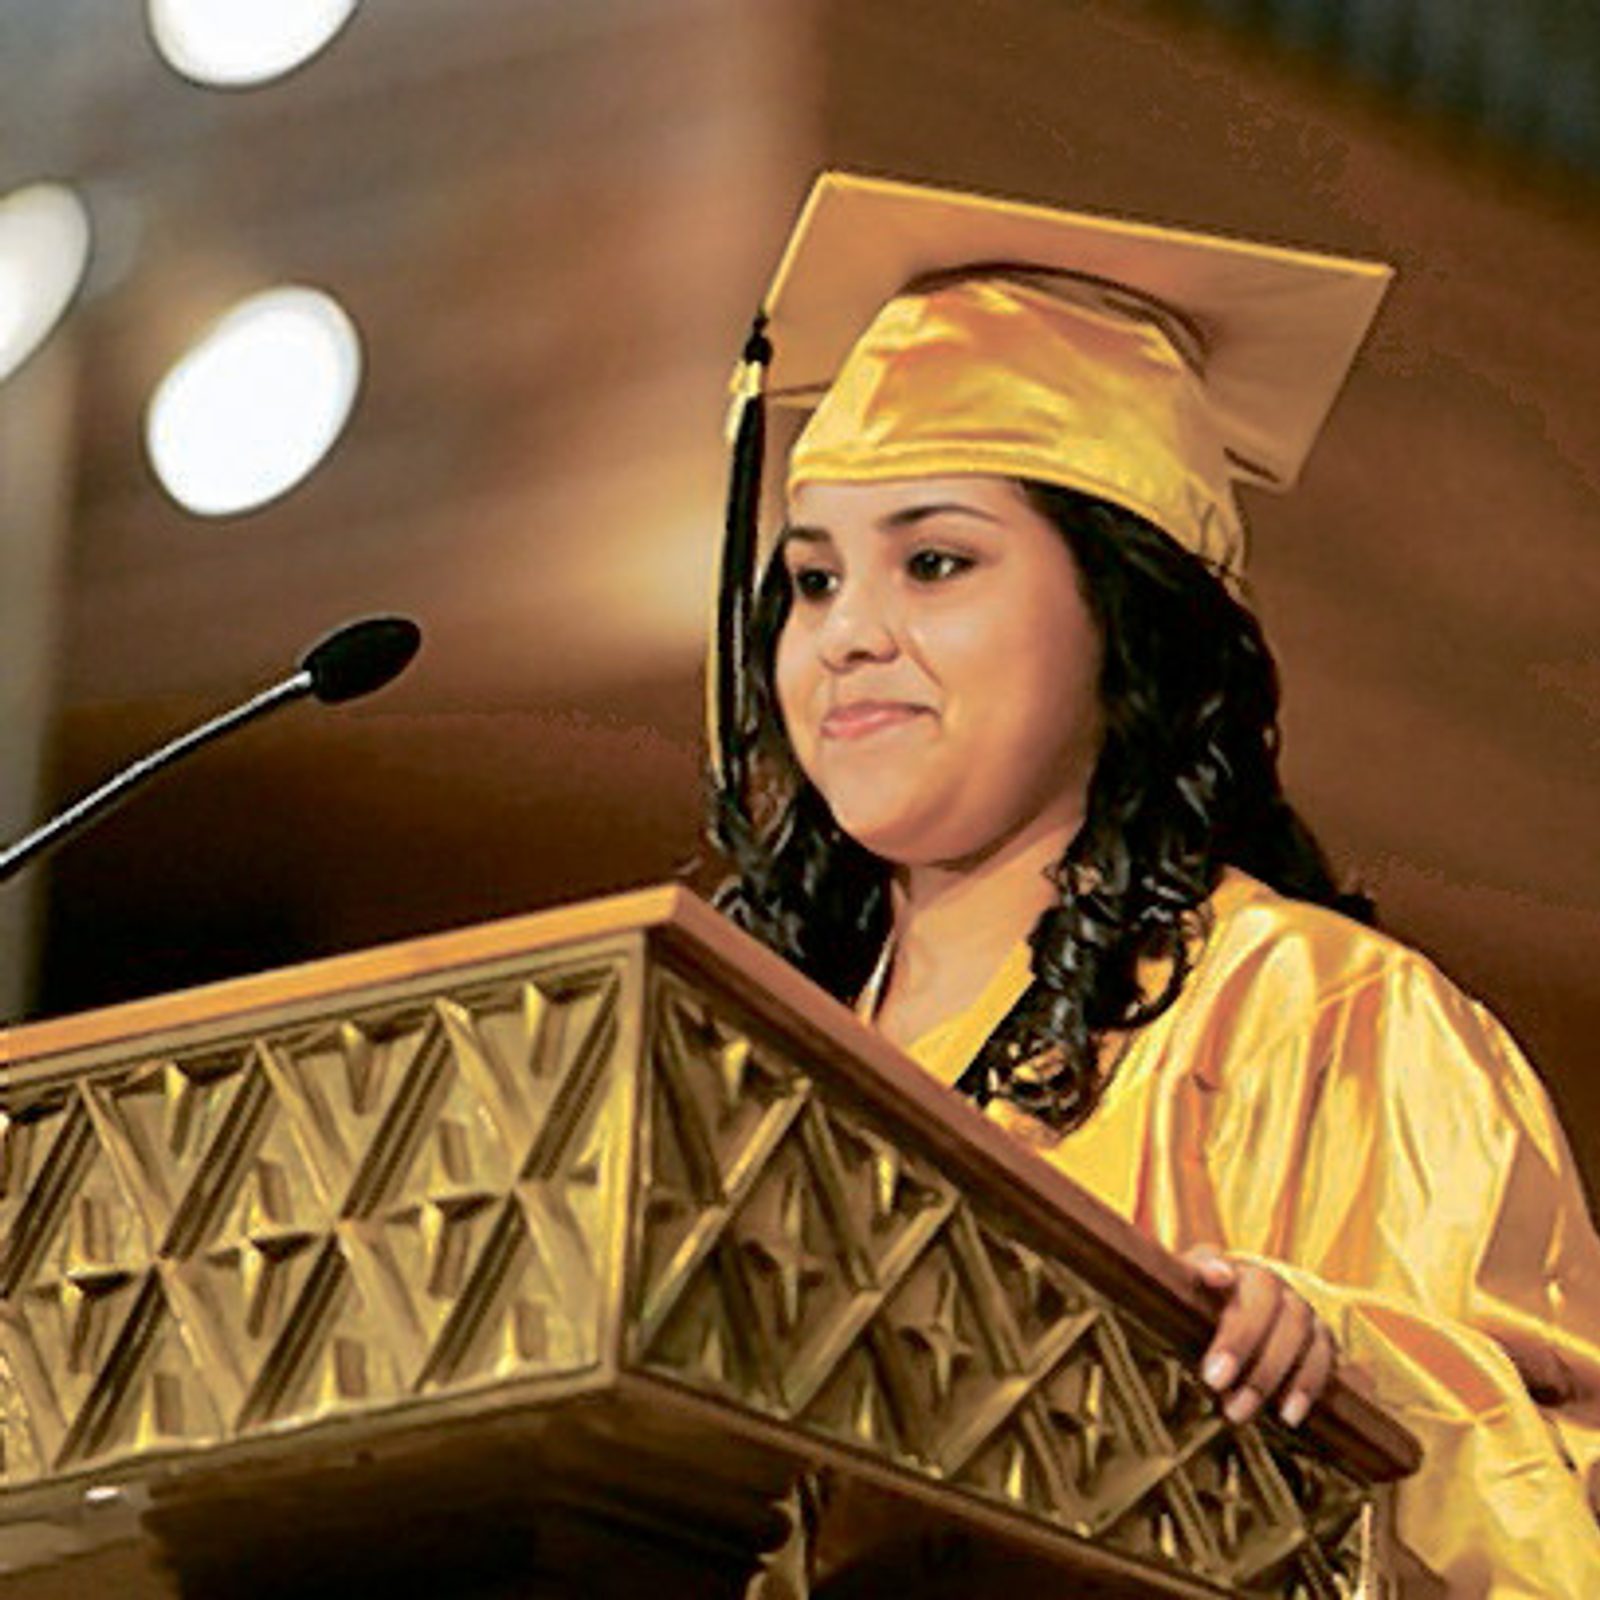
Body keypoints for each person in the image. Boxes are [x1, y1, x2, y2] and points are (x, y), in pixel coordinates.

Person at [708, 172, 1600, 1595]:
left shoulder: (1323, 1021)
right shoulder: (736, 1042)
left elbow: (1563, 1488)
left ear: (1130, 625)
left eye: (934, 562)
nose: (848, 635)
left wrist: (1350, 1383)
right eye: (812, 582)